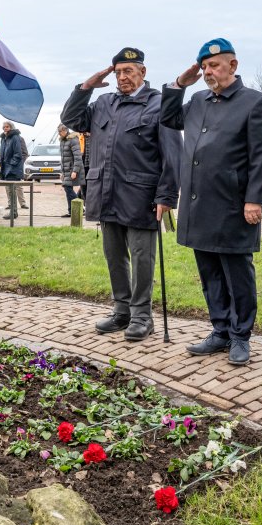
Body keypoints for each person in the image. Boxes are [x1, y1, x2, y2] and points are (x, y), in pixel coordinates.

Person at [161, 39, 262, 365]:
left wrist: (255, 200)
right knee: (210, 273)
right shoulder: (197, 99)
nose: (209, 71)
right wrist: (180, 84)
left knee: (237, 274)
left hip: (233, 205)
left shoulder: (255, 103)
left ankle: (240, 336)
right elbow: (168, 118)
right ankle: (220, 330)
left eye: (214, 65)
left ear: (233, 66)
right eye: (205, 66)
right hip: (199, 205)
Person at [61, 47, 181, 341]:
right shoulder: (103, 102)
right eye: (118, 73)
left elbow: (173, 155)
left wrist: (166, 196)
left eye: (128, 71)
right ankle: (121, 311)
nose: (122, 77)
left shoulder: (159, 103)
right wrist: (86, 87)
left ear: (143, 72)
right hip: (105, 192)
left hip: (141, 195)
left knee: (141, 258)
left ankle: (142, 316)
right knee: (114, 256)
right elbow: (72, 119)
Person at [0, 121, 25, 219]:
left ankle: (13, 212)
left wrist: (11, 165)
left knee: (12, 191)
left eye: (7, 127)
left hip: (13, 170)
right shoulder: (3, 139)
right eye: (4, 127)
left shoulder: (15, 138)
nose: (5, 128)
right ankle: (13, 212)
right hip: (5, 169)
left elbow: (18, 154)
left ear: (11, 128)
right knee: (10, 191)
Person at [57, 124, 84, 217]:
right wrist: (62, 172)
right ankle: (71, 211)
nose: (59, 134)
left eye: (60, 132)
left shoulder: (73, 140)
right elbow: (63, 158)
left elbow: (78, 157)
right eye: (58, 132)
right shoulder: (62, 141)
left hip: (72, 170)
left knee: (67, 188)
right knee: (67, 188)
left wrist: (75, 171)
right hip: (66, 170)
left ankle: (81, 208)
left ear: (65, 131)